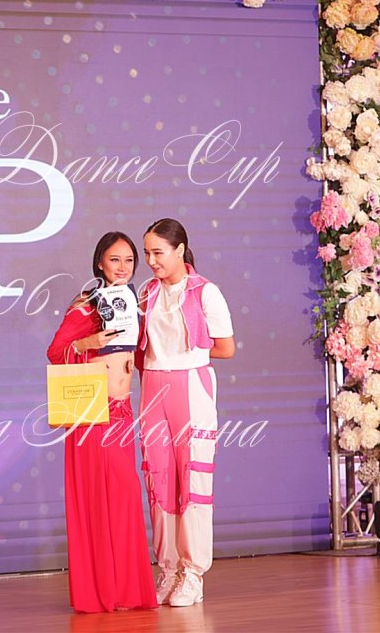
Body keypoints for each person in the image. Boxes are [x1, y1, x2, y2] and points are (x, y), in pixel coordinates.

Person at [46, 232, 159, 614]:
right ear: (99, 263)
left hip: (122, 412)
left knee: (124, 500)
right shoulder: (86, 306)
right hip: (93, 414)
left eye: (129, 260)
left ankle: (126, 591)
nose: (123, 267)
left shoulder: (133, 305)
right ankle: (100, 592)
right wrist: (87, 343)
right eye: (115, 259)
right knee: (99, 500)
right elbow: (56, 351)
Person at [136, 218, 235, 608]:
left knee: (192, 481)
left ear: (179, 250)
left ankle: (193, 574)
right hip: (152, 388)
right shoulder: (147, 292)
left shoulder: (205, 292)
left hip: (191, 386)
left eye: (158, 252)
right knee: (158, 481)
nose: (151, 261)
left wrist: (189, 352)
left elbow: (226, 348)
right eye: (147, 253)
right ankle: (169, 569)